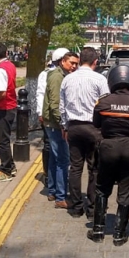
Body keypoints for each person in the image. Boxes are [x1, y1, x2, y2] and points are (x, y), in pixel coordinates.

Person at [89, 65, 129, 245]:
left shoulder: (102, 102)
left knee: (102, 188)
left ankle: (98, 231)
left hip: (108, 147)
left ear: (112, 81)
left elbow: (96, 124)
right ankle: (119, 234)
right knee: (127, 189)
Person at [59, 47, 109, 219]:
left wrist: (65, 127)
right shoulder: (100, 79)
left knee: (75, 167)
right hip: (93, 128)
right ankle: (92, 208)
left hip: (73, 127)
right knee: (94, 168)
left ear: (80, 60)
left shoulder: (67, 79)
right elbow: (105, 106)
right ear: (95, 62)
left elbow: (62, 106)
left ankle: (75, 206)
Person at [42, 50, 79, 207]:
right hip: (55, 124)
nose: (74, 66)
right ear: (63, 61)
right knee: (63, 160)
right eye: (72, 63)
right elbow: (55, 104)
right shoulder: (58, 77)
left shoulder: (59, 74)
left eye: (76, 63)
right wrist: (63, 125)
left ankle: (52, 191)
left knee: (54, 158)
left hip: (52, 123)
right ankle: (60, 198)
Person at [0, 43, 19, 183]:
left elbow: (1, 93)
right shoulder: (10, 65)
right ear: (6, 53)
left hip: (4, 108)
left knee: (3, 141)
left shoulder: (0, 70)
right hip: (10, 106)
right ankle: (10, 166)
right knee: (4, 138)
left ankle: (6, 170)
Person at [36, 52, 58, 197]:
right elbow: (40, 93)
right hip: (49, 117)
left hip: (53, 116)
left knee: (52, 147)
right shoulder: (46, 74)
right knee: (49, 146)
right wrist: (40, 113)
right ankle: (48, 175)